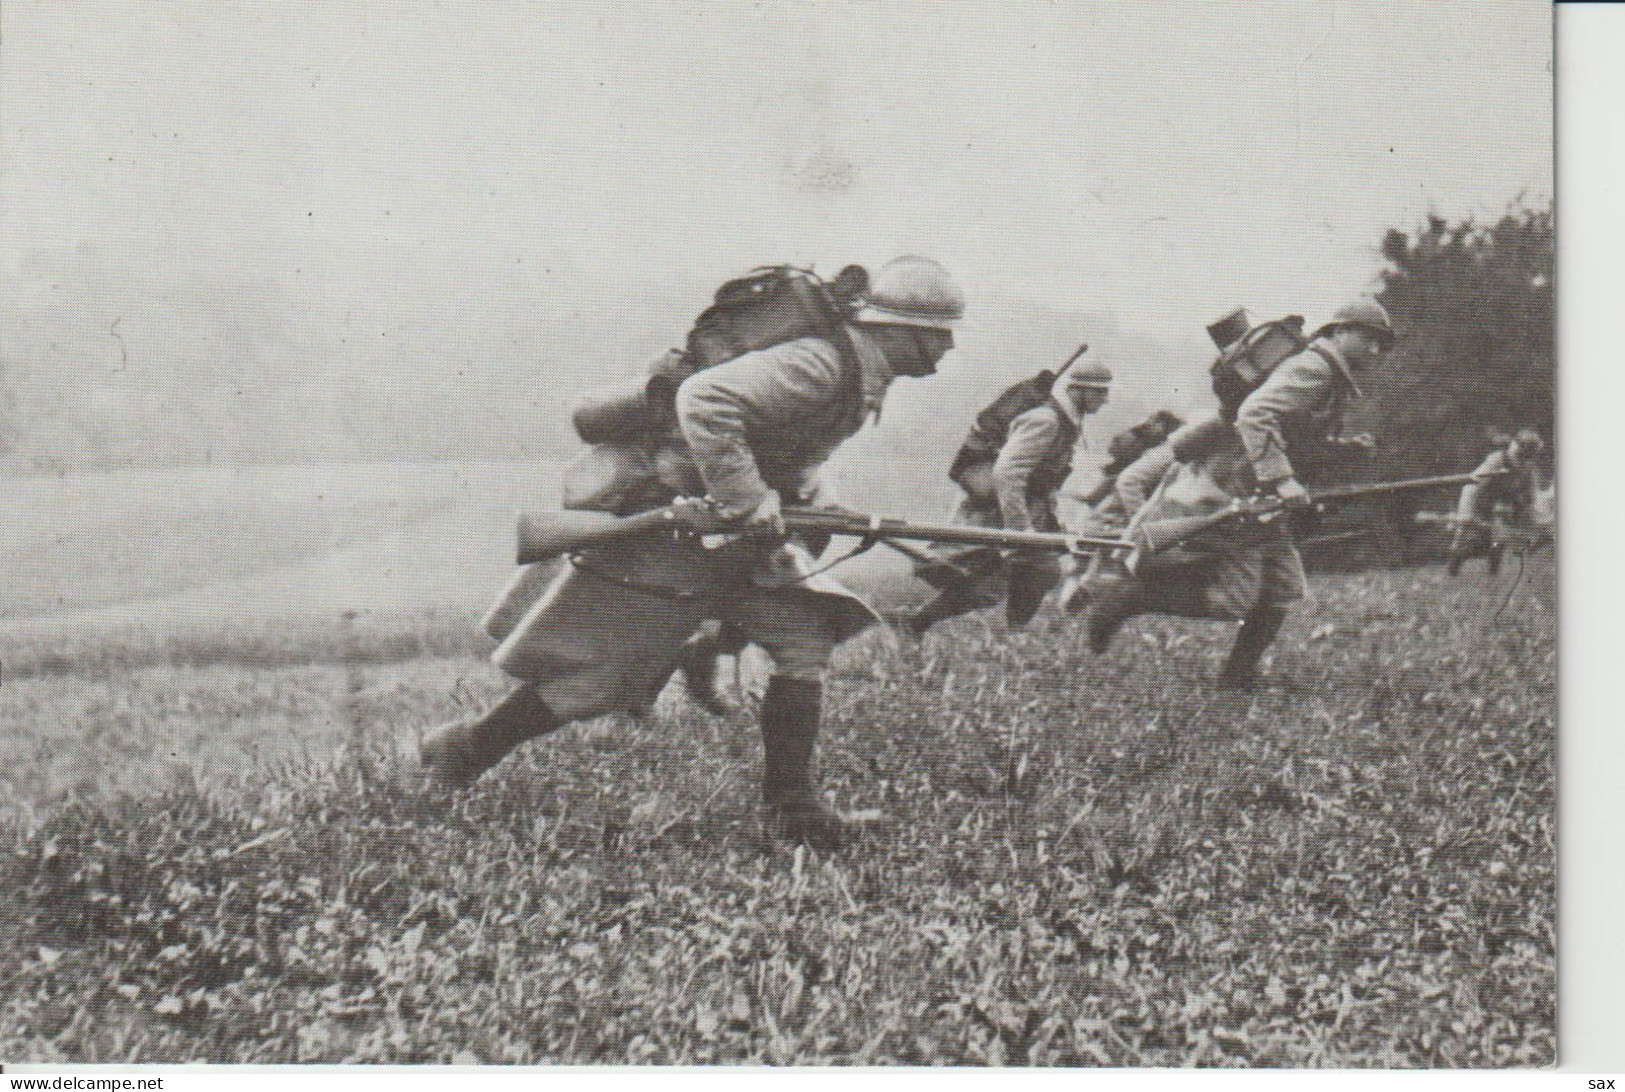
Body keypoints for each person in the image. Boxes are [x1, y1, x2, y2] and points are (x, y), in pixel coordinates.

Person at [419, 256, 965, 848]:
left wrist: (816, 503)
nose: (947, 349)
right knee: (600, 682)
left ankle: (795, 807)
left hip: (732, 536)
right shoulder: (821, 366)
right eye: (938, 334)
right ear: (898, 328)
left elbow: (792, 449)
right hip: (678, 527)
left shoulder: (854, 370)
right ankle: (466, 747)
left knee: (802, 639)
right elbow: (705, 401)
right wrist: (748, 498)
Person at [1085, 297, 1394, 691]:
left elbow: (1292, 436)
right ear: (1340, 331)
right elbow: (1255, 414)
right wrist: (1282, 479)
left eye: (1380, 343)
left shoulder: (1327, 375)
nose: (1375, 349)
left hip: (1261, 499)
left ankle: (1237, 677)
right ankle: (1128, 598)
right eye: (1369, 338)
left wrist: (1345, 448)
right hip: (1238, 494)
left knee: (1283, 589)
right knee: (1233, 599)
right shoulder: (1315, 368)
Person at [905, 357, 1112, 634]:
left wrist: (1049, 520)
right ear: (1080, 389)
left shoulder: (1067, 422)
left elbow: (1044, 478)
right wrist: (1021, 530)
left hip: (1026, 510)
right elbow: (1007, 473)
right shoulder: (1046, 419)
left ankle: (1014, 630)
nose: (1105, 400)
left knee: (1042, 571)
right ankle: (915, 622)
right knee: (990, 585)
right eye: (1100, 392)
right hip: (1001, 512)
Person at [1447, 428, 1547, 576]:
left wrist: (1542, 520)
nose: (1525, 459)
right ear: (1517, 447)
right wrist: (1465, 514)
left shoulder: (1529, 468)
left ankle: (1493, 576)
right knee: (1464, 541)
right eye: (1524, 452)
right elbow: (1471, 486)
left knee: (1499, 540)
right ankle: (1453, 572)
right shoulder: (1497, 460)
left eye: (1530, 455)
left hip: (1500, 506)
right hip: (1479, 503)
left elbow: (1534, 497)